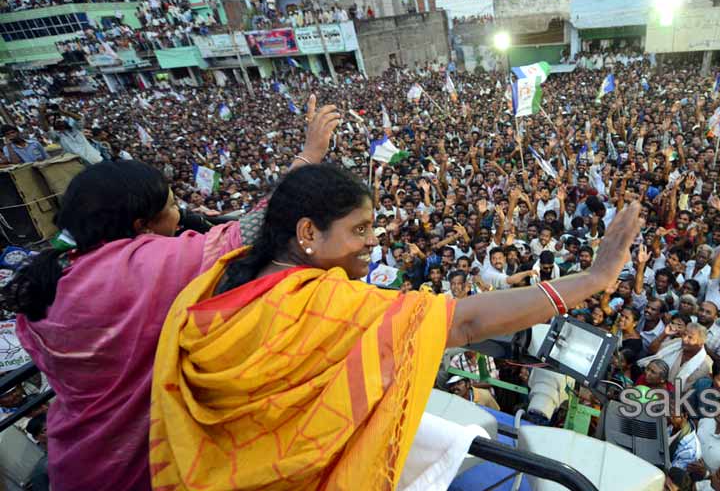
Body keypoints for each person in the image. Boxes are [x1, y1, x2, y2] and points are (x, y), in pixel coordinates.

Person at [148, 162, 644, 488]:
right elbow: (466, 323)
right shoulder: (326, 302)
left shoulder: (211, 284)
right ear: (307, 233)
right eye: (359, 230)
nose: (372, 241)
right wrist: (594, 278)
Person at [5, 98, 340, 491]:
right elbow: (251, 230)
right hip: (140, 466)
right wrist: (310, 155)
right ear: (141, 225)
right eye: (170, 205)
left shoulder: (53, 274)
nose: (180, 215)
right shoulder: (138, 268)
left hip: (76, 461)